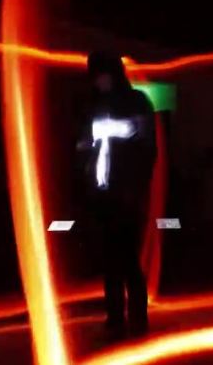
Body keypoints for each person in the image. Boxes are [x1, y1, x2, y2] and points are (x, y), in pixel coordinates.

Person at [76, 51, 156, 339]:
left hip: (127, 194)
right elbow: (85, 143)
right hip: (103, 192)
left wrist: (136, 188)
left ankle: (137, 317)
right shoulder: (95, 105)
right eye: (95, 77)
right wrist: (85, 153)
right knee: (110, 259)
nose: (99, 82)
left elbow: (145, 143)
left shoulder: (136, 101)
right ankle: (115, 316)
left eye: (102, 75)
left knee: (128, 258)